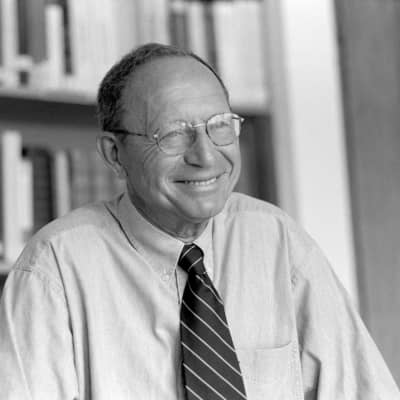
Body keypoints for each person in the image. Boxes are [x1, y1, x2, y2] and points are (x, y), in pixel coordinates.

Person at [0, 43, 399, 400]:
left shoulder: (277, 240)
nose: (206, 157)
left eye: (220, 126)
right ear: (114, 154)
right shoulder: (53, 269)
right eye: (173, 134)